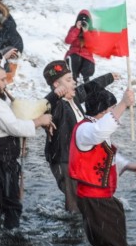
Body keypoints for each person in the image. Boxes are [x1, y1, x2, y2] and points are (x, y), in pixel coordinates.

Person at [69, 87, 136, 246]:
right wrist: (124, 104)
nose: (116, 116)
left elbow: (105, 155)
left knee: (109, 241)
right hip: (94, 198)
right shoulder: (86, 129)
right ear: (103, 111)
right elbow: (99, 133)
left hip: (100, 197)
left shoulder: (94, 128)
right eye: (112, 110)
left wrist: (125, 164)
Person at [0, 64, 52, 229]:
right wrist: (39, 121)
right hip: (1, 159)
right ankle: (11, 238)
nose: (6, 84)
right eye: (3, 79)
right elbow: (14, 127)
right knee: (11, 202)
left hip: (0, 158)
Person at [43, 60, 116, 213]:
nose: (74, 82)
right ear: (57, 85)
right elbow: (44, 107)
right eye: (69, 80)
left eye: (73, 78)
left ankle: (86, 222)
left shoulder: (74, 98)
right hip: (63, 158)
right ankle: (74, 228)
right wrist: (53, 98)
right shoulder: (55, 105)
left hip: (77, 157)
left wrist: (109, 77)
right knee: (74, 199)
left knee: (83, 195)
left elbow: (89, 87)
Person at [65, 10, 95, 83]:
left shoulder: (92, 31)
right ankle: (73, 79)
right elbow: (68, 41)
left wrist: (86, 32)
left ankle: (86, 79)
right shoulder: (74, 28)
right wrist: (77, 29)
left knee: (88, 67)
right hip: (74, 53)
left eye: (85, 22)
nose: (83, 24)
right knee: (75, 59)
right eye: (81, 21)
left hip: (87, 55)